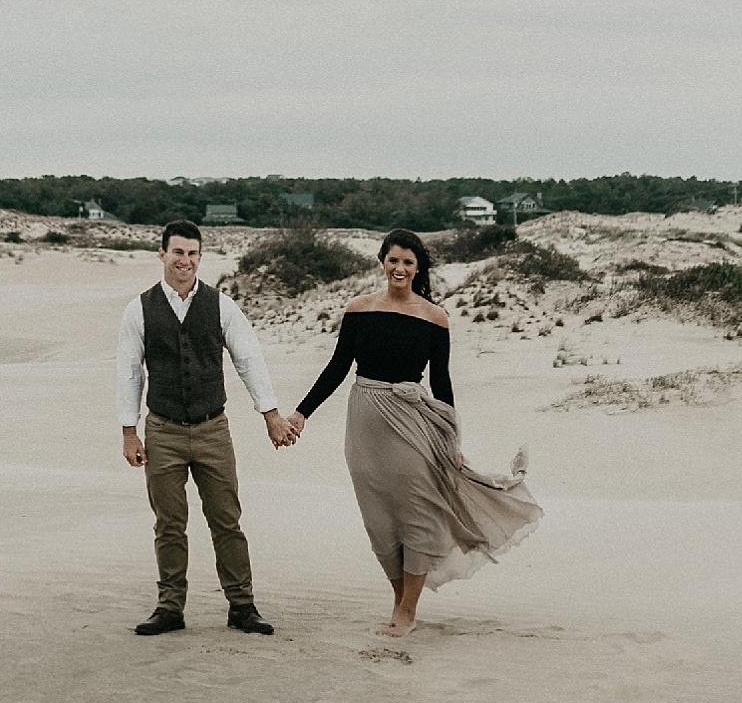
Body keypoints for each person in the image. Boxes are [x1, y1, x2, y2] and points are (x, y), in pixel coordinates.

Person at [286, 228, 541, 637]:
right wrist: (302, 413)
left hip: (413, 421)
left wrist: (453, 439)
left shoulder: (434, 316)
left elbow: (441, 383)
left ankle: (408, 610)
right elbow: (337, 367)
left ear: (417, 267)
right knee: (380, 520)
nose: (399, 268)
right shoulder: (359, 309)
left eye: (408, 262)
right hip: (366, 421)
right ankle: (399, 598)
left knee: (418, 513)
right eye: (393, 260)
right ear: (382, 262)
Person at [117, 218, 296, 637]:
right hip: (162, 431)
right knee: (169, 523)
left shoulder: (222, 305)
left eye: (193, 253)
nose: (185, 260)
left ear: (201, 256)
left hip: (213, 429)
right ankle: (169, 607)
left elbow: (248, 359)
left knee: (226, 520)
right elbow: (129, 373)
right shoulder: (138, 309)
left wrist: (270, 414)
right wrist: (130, 431)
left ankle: (242, 606)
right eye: (177, 252)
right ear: (162, 254)